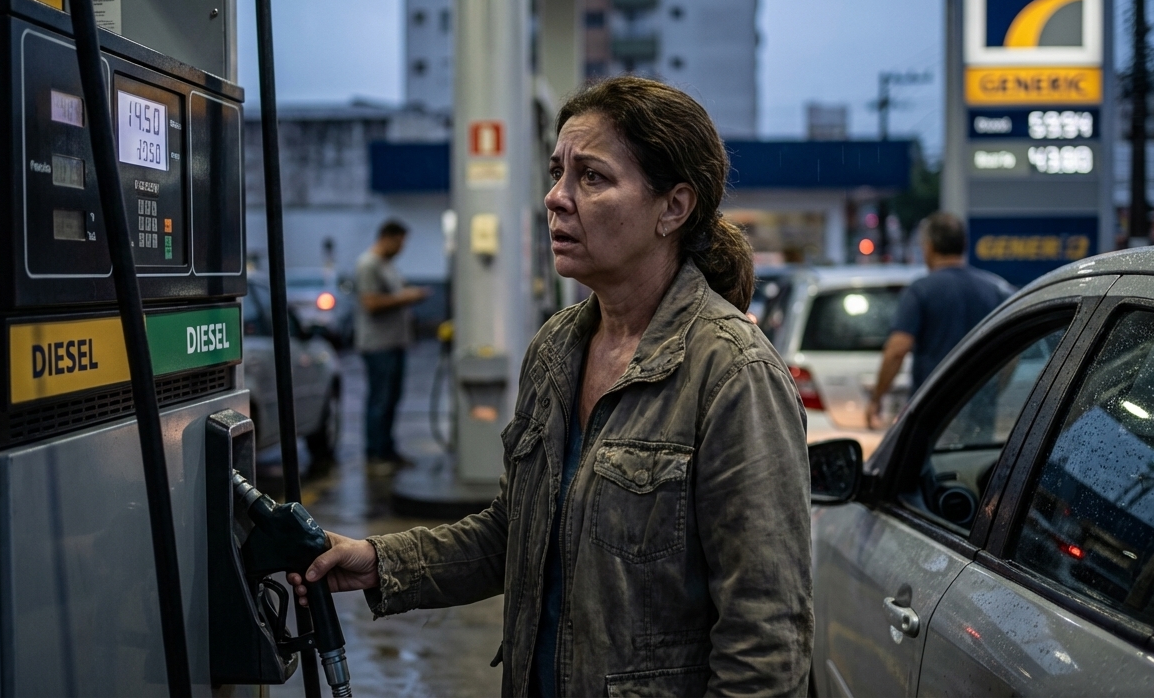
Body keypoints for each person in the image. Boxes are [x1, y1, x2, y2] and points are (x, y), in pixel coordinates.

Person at [288, 76, 813, 696]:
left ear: (673, 207)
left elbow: (767, 636)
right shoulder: (558, 347)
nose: (555, 198)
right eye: (558, 171)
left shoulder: (731, 372)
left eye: (592, 177)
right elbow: (517, 533)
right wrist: (381, 563)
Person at [865, 211, 1012, 428]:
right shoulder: (995, 290)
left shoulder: (921, 290)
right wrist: (987, 395)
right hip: (979, 420)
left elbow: (897, 350)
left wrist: (877, 398)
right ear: (964, 244)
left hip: (932, 414)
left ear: (929, 247)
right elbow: (1011, 355)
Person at [354, 219, 428, 471]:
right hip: (378, 345)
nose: (401, 248)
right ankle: (375, 454)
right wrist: (405, 298)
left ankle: (387, 449)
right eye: (399, 242)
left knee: (392, 398)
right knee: (380, 399)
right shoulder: (369, 264)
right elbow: (371, 303)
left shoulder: (387, 265)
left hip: (394, 343)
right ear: (387, 237)